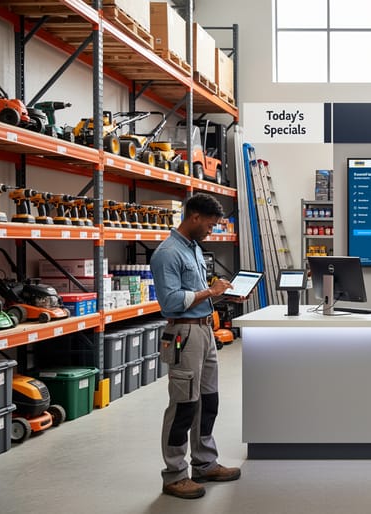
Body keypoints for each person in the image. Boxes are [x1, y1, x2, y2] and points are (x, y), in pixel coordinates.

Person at [150, 193, 244, 499]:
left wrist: (221, 294)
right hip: (183, 335)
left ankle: (204, 462)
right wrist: (209, 291)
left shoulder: (192, 248)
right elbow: (171, 301)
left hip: (205, 331)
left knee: (208, 401)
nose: (211, 230)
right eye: (210, 224)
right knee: (183, 406)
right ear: (194, 217)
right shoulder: (167, 253)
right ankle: (175, 474)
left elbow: (197, 294)